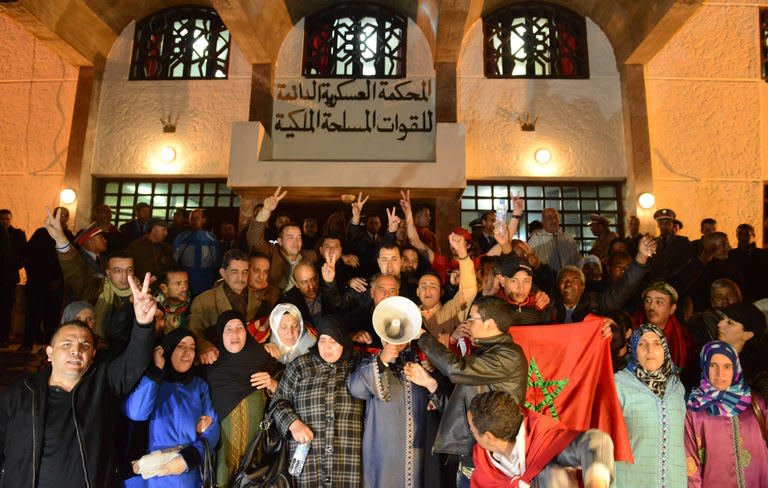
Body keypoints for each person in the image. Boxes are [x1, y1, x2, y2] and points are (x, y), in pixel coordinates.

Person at [0, 271, 156, 487]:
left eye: (85, 345)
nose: (76, 350)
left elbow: (134, 363)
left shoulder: (104, 384)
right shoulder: (20, 393)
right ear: (49, 353)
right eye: (67, 344)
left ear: (92, 355)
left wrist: (143, 325)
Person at [416, 296, 528, 486]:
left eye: (472, 318)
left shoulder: (508, 355)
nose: (467, 324)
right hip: (473, 453)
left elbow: (455, 368)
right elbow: (461, 398)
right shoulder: (486, 352)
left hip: (489, 455)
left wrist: (423, 337)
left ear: (490, 323)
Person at [270, 316, 365, 488]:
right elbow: (278, 402)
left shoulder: (358, 366)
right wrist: (293, 424)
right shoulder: (300, 366)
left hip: (348, 464)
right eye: (323, 340)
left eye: (334, 341)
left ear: (344, 341)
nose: (327, 347)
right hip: (308, 464)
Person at [123, 327, 220, 487]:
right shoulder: (153, 382)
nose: (187, 352)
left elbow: (213, 428)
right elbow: (136, 412)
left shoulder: (199, 386)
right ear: (169, 348)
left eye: (192, 348)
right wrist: (156, 372)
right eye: (181, 346)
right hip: (154, 474)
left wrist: (189, 457)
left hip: (189, 473)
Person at [467, 391, 614, 488]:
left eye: (472, 429)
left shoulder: (545, 443)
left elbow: (596, 442)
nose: (470, 432)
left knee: (550, 471)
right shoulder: (483, 462)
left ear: (488, 437)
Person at [348, 339, 443, 488]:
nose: (395, 340)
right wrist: (381, 360)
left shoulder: (423, 360)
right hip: (383, 449)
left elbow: (442, 399)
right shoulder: (369, 359)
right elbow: (356, 389)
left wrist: (429, 374)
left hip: (418, 447)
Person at [205, 310, 281, 486]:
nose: (235, 334)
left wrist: (272, 384)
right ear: (220, 334)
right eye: (228, 329)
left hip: (257, 448)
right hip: (222, 449)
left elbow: (287, 394)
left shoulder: (264, 358)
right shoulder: (210, 365)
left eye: (239, 327)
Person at [685, 341, 768, 487]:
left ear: (736, 368)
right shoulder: (694, 411)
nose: (720, 373)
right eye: (713, 366)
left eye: (727, 366)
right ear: (704, 366)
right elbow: (690, 465)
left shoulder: (754, 403)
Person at [613, 324, 686, 488]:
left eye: (657, 343)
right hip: (629, 482)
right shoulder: (618, 385)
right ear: (633, 349)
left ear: (665, 349)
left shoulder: (677, 388)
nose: (650, 349)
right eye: (642, 344)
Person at [189, 249, 271, 364]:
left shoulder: (260, 300)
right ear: (223, 273)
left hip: (250, 363)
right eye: (234, 272)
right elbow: (193, 332)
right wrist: (204, 346)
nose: (240, 277)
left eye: (245, 272)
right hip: (218, 362)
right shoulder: (203, 301)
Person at [20, 206, 73, 350]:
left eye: (64, 216)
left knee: (52, 317)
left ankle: (51, 346)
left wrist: (59, 280)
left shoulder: (68, 235)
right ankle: (27, 344)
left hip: (56, 284)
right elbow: (28, 256)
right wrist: (33, 276)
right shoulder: (41, 233)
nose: (61, 218)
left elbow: (70, 262)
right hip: (37, 282)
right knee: (32, 314)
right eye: (58, 215)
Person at [246, 187, 317, 291]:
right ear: (280, 241)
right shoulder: (270, 252)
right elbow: (254, 240)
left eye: (299, 237)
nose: (296, 242)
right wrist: (265, 211)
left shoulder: (310, 256)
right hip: (272, 303)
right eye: (290, 237)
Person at [173, 209, 221, 297]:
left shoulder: (212, 238)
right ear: (189, 220)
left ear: (203, 220)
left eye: (197, 218)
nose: (195, 221)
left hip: (206, 282)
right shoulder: (181, 237)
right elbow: (174, 260)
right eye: (192, 218)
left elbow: (216, 262)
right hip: (185, 281)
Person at [0, 208, 26, 347]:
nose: (4, 222)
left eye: (7, 219)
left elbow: (22, 255)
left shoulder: (17, 235)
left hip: (9, 277)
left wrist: (13, 264)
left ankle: (3, 337)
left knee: (6, 308)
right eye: (2, 219)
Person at [527, 208, 581, 272]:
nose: (554, 221)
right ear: (543, 221)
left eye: (555, 217)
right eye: (549, 218)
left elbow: (577, 262)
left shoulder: (568, 239)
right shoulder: (535, 240)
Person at [155, 266, 191, 334]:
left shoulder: (193, 305)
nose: (185, 288)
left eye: (186, 282)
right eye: (178, 283)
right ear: (164, 288)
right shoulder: (155, 308)